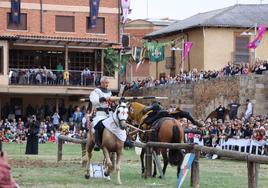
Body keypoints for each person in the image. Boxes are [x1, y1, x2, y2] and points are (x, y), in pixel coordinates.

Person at [90, 77, 112, 151]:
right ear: (102, 82)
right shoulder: (96, 91)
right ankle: (97, 143)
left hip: (109, 112)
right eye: (106, 83)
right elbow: (94, 100)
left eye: (107, 83)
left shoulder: (109, 91)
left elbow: (110, 102)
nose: (107, 84)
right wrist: (102, 99)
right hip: (100, 113)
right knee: (99, 124)